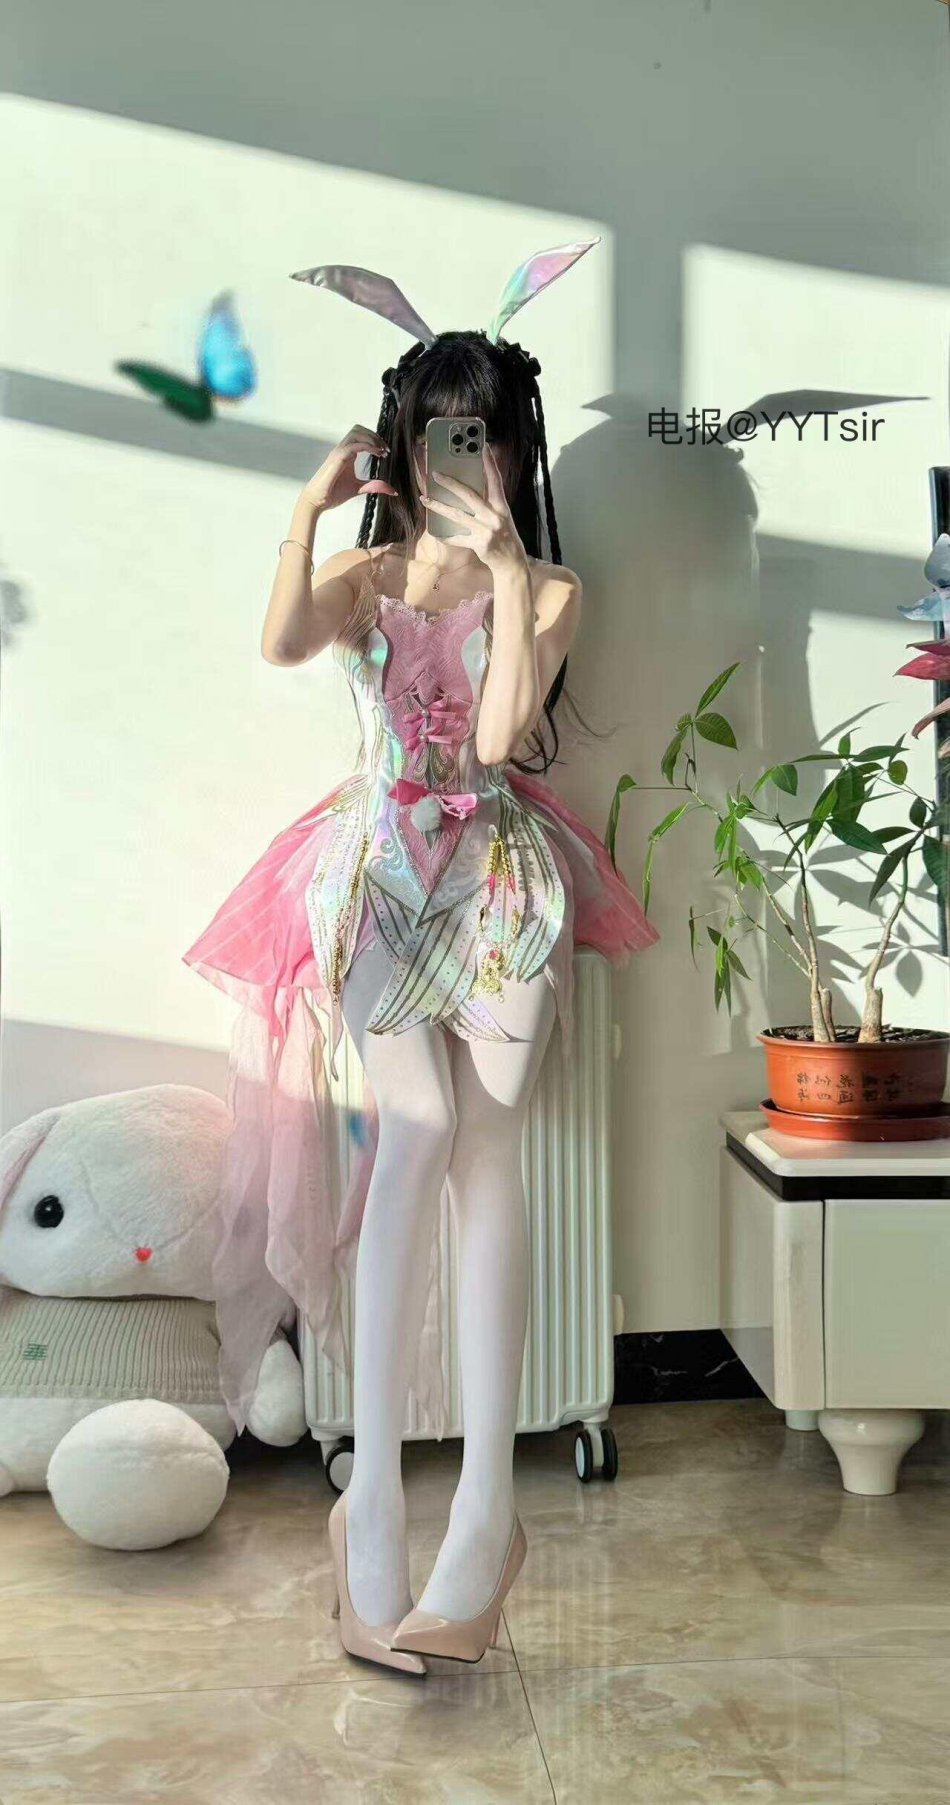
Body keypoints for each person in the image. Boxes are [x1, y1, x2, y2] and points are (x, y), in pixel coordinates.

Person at [182, 250, 660, 1674]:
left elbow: (502, 738)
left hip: (499, 878)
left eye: (484, 434)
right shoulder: (364, 574)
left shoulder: (550, 587)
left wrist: (506, 573)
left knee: (486, 1153)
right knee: (420, 1129)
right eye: (442, 432)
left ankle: (487, 1517)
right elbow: (282, 642)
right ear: (402, 438)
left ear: (513, 446)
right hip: (378, 872)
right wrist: (308, 510)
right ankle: (375, 1504)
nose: (465, 457)